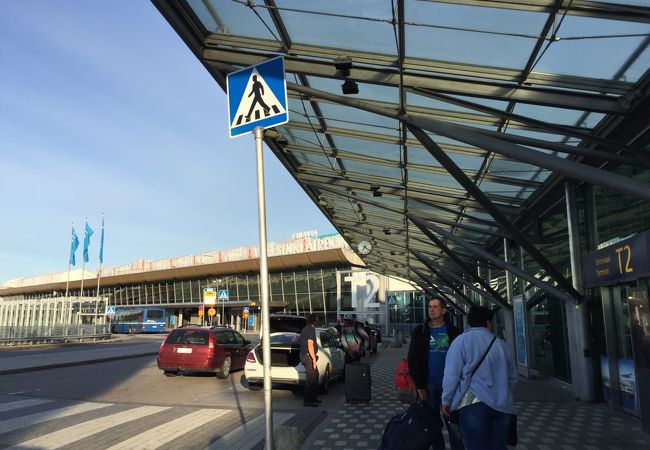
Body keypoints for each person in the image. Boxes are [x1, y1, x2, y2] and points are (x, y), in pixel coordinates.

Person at [441, 306, 517, 450]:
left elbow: (451, 376)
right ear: (488, 322)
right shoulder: (501, 344)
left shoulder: (461, 342)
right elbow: (513, 378)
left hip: (472, 405)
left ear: (469, 322)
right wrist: (503, 393)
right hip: (502, 406)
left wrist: (446, 400)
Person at [407, 297, 464, 450]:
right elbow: (413, 360)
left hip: (450, 385)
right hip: (429, 384)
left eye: (435, 307)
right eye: (429, 307)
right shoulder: (421, 331)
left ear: (444, 310)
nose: (431, 310)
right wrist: (420, 386)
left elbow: (462, 359)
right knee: (432, 424)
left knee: (452, 422)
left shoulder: (453, 332)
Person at [299, 314, 321, 407]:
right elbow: (310, 345)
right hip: (308, 356)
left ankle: (313, 397)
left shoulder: (305, 328)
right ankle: (307, 401)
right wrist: (314, 360)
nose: (318, 321)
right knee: (310, 379)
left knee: (316, 375)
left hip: (306, 356)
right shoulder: (311, 330)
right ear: (314, 321)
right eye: (317, 319)